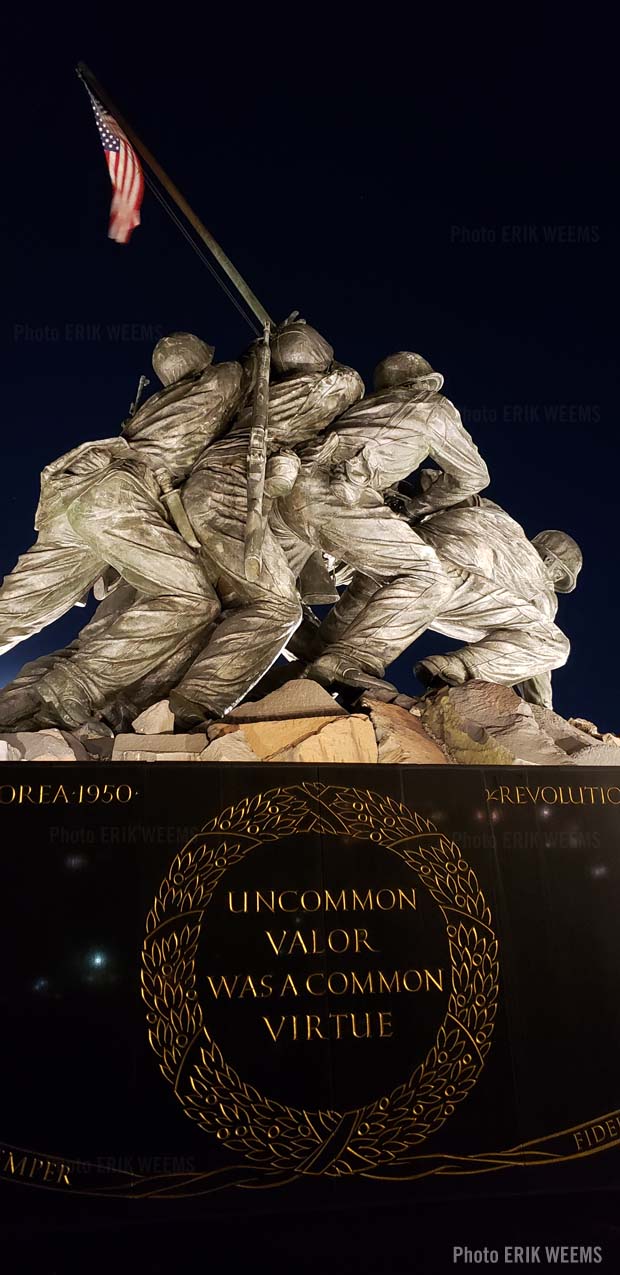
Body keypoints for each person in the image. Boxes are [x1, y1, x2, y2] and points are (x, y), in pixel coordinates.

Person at [0, 333, 242, 729]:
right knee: (193, 599)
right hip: (119, 497)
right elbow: (240, 371)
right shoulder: (218, 382)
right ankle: (75, 684)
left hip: (75, 492)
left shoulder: (152, 408)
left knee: (16, 608)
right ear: (202, 360)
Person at [169, 320, 365, 721]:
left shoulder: (259, 391)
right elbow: (350, 382)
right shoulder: (329, 386)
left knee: (269, 595)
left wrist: (265, 351)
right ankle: (196, 700)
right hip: (232, 490)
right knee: (277, 607)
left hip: (220, 486)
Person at [272, 350, 490, 690]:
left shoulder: (363, 409)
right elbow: (472, 477)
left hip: (286, 493)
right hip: (333, 497)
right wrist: (416, 508)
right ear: (426, 383)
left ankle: (311, 658)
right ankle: (348, 661)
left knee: (280, 597)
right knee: (428, 576)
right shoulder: (432, 406)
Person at [309, 475, 582, 709]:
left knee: (322, 650)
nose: (555, 582)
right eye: (559, 577)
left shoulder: (494, 513)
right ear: (552, 567)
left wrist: (410, 510)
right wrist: (542, 710)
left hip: (397, 557)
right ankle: (452, 670)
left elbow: (435, 481)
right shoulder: (540, 590)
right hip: (444, 578)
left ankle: (311, 660)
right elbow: (538, 672)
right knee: (552, 644)